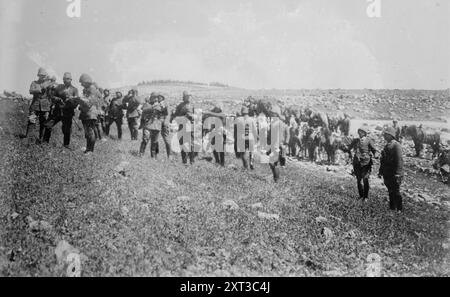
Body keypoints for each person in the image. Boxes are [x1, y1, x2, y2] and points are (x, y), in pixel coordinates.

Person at [42, 72, 79, 147]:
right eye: (64, 79)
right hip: (57, 111)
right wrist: (57, 99)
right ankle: (45, 142)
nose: (66, 80)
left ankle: (66, 145)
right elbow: (52, 97)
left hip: (68, 112)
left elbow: (76, 102)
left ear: (71, 79)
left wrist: (70, 102)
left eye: (68, 79)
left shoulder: (74, 90)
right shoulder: (59, 87)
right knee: (49, 124)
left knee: (66, 130)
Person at [348, 125, 378, 200]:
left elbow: (374, 149)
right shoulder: (355, 140)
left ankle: (366, 197)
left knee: (365, 179)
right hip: (357, 162)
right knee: (359, 179)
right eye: (359, 131)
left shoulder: (369, 140)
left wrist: (375, 155)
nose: (359, 133)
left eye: (361, 132)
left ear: (365, 133)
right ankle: (361, 195)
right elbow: (349, 148)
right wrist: (345, 148)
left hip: (366, 162)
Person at [379, 127, 404, 212]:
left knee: (396, 191)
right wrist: (380, 171)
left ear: (390, 135)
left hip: (394, 173)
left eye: (386, 135)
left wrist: (398, 173)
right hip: (387, 173)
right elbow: (383, 160)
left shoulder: (396, 145)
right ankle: (392, 208)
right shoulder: (387, 145)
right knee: (390, 191)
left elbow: (399, 160)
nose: (384, 136)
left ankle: (399, 209)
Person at [76, 73, 101, 154]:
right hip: (86, 113)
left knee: (90, 132)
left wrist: (79, 99)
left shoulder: (92, 89)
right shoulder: (86, 89)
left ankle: (90, 150)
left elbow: (89, 102)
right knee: (87, 132)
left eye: (82, 82)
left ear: (86, 81)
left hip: (91, 114)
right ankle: (88, 148)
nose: (81, 84)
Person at [28, 67, 53, 144]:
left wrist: (50, 86)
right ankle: (30, 139)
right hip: (35, 105)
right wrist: (39, 89)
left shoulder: (48, 84)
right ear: (38, 75)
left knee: (44, 123)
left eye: (44, 75)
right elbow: (30, 91)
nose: (42, 77)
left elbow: (51, 95)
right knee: (31, 122)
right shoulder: (34, 83)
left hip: (45, 107)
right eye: (41, 75)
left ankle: (41, 140)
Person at [172, 91, 196, 165]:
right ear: (184, 97)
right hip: (182, 126)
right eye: (187, 96)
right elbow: (175, 116)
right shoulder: (179, 106)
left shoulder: (192, 105)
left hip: (190, 127)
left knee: (191, 144)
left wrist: (192, 116)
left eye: (189, 96)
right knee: (182, 144)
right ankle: (184, 162)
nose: (189, 97)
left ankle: (192, 161)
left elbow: (196, 116)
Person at [139, 94, 163, 158]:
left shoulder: (160, 105)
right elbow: (144, 111)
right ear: (151, 98)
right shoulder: (146, 105)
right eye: (154, 97)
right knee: (145, 139)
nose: (155, 99)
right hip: (148, 126)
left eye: (156, 98)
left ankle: (154, 156)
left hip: (156, 126)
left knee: (154, 142)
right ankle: (141, 153)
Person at [157, 94, 172, 159]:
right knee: (155, 139)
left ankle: (169, 155)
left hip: (164, 124)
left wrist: (166, 122)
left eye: (160, 97)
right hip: (157, 123)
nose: (159, 98)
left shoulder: (165, 104)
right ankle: (155, 155)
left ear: (163, 98)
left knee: (166, 140)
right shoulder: (156, 104)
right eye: (158, 97)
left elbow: (168, 114)